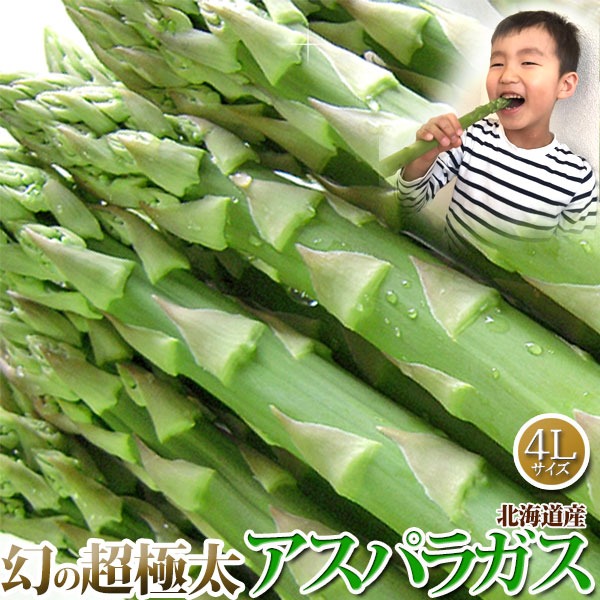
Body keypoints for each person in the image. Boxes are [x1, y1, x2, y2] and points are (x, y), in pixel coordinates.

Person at [396, 10, 598, 249]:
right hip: (444, 263)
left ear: (565, 85)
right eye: (497, 63)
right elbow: (409, 202)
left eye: (528, 63)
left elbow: (576, 254)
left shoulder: (577, 176)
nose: (507, 76)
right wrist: (422, 157)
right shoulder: (472, 138)